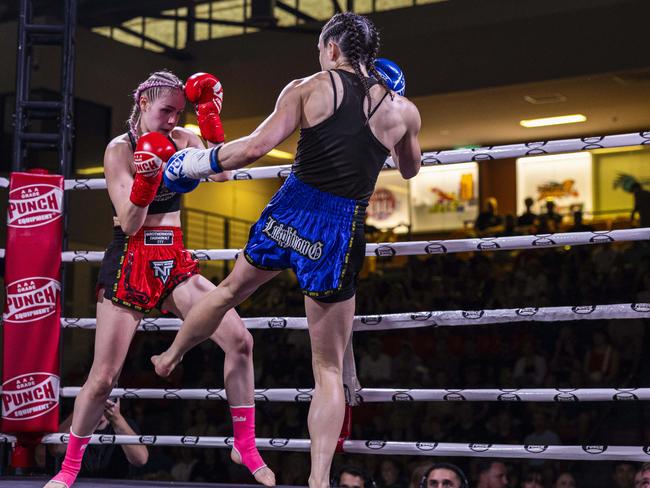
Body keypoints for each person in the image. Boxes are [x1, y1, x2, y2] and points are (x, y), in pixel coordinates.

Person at [151, 11, 422, 488]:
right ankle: (319, 480)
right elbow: (410, 171)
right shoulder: (403, 111)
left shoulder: (309, 87)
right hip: (337, 230)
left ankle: (171, 355)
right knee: (328, 368)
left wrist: (191, 163)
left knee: (229, 290)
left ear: (332, 48)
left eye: (321, 48)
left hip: (289, 213)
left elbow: (253, 148)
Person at [44, 70, 274, 488]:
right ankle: (69, 468)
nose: (172, 120)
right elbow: (130, 224)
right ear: (144, 103)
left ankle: (245, 444)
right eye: (166, 111)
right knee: (104, 376)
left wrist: (209, 121)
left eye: (179, 112)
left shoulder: (184, 138)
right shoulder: (120, 150)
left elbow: (220, 172)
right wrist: (148, 179)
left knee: (240, 341)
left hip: (174, 255)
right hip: (131, 254)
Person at [49, 399, 147, 480]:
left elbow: (141, 460)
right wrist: (80, 410)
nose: (100, 403)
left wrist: (116, 418)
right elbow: (55, 449)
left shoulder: (127, 425)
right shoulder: (72, 423)